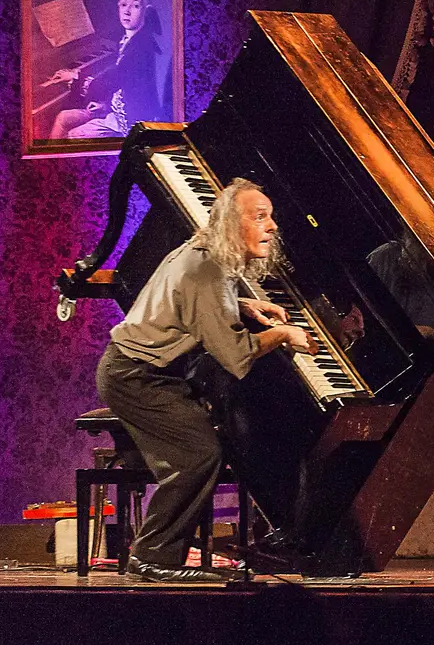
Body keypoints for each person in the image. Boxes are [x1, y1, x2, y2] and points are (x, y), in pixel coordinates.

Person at [95, 178, 318, 583]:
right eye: (260, 217)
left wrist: (246, 305)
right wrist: (285, 335)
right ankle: (150, 558)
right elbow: (236, 356)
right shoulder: (206, 271)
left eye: (271, 217)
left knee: (207, 447)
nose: (272, 227)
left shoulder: (207, 253)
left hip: (147, 373)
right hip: (136, 378)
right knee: (198, 455)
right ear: (232, 225)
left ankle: (166, 555)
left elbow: (195, 303)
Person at [49, 0, 167, 139]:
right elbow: (125, 85)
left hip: (129, 123)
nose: (127, 11)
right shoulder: (131, 39)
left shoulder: (140, 47)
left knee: (72, 136)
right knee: (63, 118)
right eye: (124, 4)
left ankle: (57, 163)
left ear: (146, 10)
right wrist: (104, 105)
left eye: (136, 6)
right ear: (118, 6)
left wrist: (75, 76)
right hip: (115, 110)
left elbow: (107, 82)